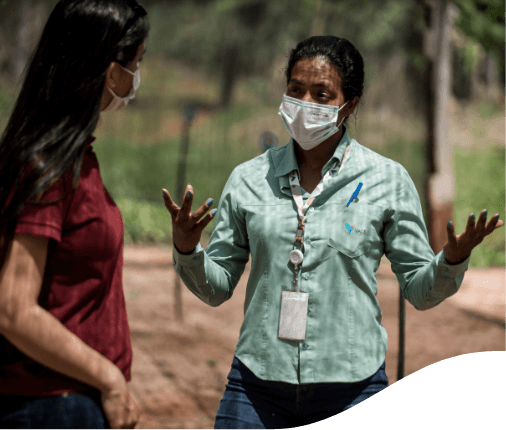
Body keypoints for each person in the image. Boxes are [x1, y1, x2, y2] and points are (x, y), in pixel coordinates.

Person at [163, 35, 504, 429]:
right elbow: (216, 287)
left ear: (350, 105)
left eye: (322, 94)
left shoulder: (387, 181)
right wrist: (187, 249)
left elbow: (420, 291)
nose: (305, 104)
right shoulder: (248, 179)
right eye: (296, 90)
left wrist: (451, 260)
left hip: (353, 387)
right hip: (255, 385)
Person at [0, 1, 149, 428]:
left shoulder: (77, 159)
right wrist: (110, 380)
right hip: (51, 404)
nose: (137, 79)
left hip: (72, 399)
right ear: (108, 71)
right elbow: (12, 308)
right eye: (135, 63)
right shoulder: (47, 168)